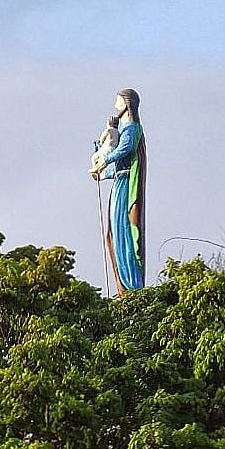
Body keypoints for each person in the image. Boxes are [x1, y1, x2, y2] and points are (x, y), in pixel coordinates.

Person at [90, 88, 147, 296]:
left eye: (118, 101)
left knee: (124, 231)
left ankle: (132, 286)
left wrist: (104, 159)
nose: (115, 106)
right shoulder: (123, 129)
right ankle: (123, 286)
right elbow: (118, 162)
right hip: (118, 181)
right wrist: (102, 173)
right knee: (113, 232)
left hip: (125, 186)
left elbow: (125, 150)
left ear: (127, 103)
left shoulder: (132, 128)